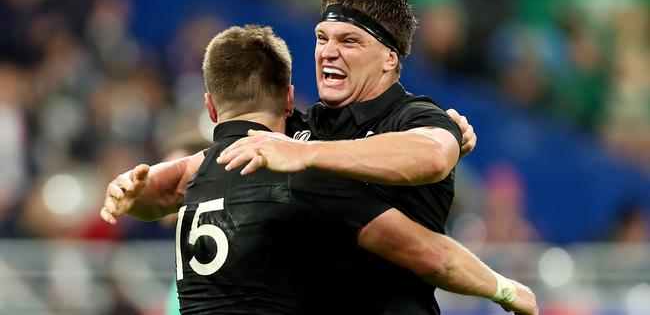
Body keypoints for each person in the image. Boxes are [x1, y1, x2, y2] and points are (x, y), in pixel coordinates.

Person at [101, 24, 536, 314]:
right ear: (290, 101)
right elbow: (431, 256)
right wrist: (506, 289)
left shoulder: (198, 174)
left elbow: (158, 194)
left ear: (211, 106)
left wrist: (131, 192)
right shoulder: (302, 175)